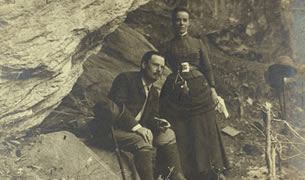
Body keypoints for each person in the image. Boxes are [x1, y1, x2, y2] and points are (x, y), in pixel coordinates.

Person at [159, 7, 230, 180]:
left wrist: (213, 90)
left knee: (204, 128)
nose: (181, 23)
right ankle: (188, 171)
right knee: (183, 129)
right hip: (177, 92)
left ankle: (213, 169)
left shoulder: (198, 43)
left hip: (200, 89)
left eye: (184, 20)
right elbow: (161, 68)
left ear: (189, 23)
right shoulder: (167, 46)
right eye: (177, 20)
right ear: (172, 22)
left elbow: (207, 68)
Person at [107, 51, 186, 180]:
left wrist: (158, 123)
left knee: (168, 134)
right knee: (142, 140)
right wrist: (138, 128)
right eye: (155, 65)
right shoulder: (126, 79)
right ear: (144, 64)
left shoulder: (153, 92)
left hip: (133, 132)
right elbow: (117, 107)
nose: (159, 70)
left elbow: (150, 118)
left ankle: (176, 176)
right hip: (112, 129)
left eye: (162, 67)